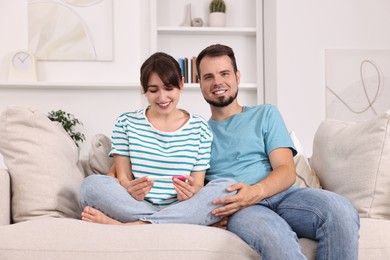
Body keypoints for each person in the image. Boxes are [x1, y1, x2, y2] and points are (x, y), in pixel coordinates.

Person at [195, 44, 360, 259]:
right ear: (199, 83)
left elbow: (286, 170)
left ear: (237, 76)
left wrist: (255, 192)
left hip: (285, 196)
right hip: (243, 210)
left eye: (224, 73)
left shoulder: (266, 114)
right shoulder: (197, 133)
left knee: (341, 210)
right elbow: (196, 186)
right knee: (276, 237)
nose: (217, 82)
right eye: (208, 77)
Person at [79, 52, 235, 225]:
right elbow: (123, 178)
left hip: (181, 206)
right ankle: (164, 223)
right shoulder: (126, 122)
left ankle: (137, 225)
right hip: (138, 205)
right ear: (143, 88)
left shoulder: (200, 128)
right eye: (153, 90)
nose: (162, 98)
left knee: (226, 187)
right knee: (90, 185)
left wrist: (191, 192)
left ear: (181, 84)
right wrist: (129, 188)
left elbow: (198, 185)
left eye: (169, 88)